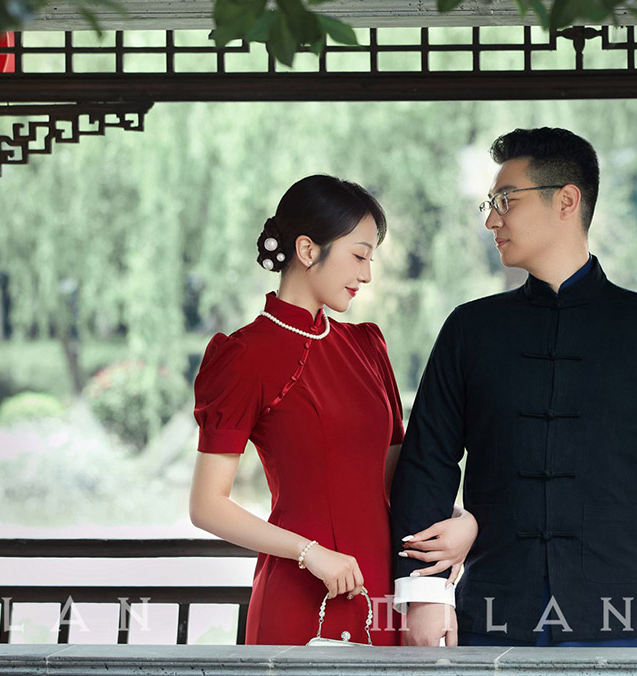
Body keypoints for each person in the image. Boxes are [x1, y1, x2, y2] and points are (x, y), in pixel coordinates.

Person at [390, 128, 637, 648]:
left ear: (566, 200)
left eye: (505, 200)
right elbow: (426, 464)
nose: (491, 219)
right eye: (489, 203)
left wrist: (621, 541)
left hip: (621, 614)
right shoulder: (470, 329)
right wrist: (425, 595)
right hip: (493, 611)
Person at [189, 175, 477, 646]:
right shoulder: (245, 355)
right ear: (307, 250)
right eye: (359, 256)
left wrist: (461, 519)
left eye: (371, 259)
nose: (367, 275)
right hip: (302, 593)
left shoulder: (366, 347)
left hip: (381, 592)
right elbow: (207, 506)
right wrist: (310, 553)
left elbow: (399, 479)